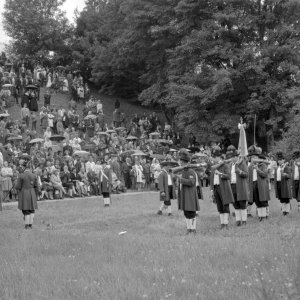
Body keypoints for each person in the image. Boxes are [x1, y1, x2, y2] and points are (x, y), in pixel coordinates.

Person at [210, 146, 234, 229]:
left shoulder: (225, 165)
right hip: (216, 187)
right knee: (219, 206)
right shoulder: (214, 166)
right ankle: (222, 224)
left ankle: (226, 223)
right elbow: (211, 178)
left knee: (225, 206)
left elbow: (228, 176)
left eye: (216, 157)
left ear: (220, 157)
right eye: (214, 157)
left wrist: (220, 174)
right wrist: (211, 189)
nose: (214, 159)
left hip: (223, 187)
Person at [176, 149, 199, 234]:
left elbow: (192, 182)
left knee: (191, 212)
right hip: (184, 194)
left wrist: (181, 179)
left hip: (190, 194)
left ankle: (193, 229)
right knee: (186, 212)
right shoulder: (183, 171)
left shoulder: (191, 171)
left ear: (184, 162)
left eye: (181, 161)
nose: (179, 162)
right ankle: (188, 229)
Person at [227, 145, 249, 226]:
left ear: (237, 157)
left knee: (242, 203)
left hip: (240, 186)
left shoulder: (242, 164)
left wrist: (239, 172)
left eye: (234, 157)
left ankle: (244, 220)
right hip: (232, 186)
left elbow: (246, 174)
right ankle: (238, 220)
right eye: (231, 157)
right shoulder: (230, 165)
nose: (232, 158)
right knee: (235, 204)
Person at [248, 145, 270, 221]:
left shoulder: (262, 165)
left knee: (262, 200)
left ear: (257, 157)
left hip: (261, 184)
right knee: (257, 201)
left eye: (254, 157)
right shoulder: (250, 166)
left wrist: (257, 169)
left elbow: (264, 175)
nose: (252, 158)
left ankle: (264, 216)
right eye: (251, 157)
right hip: (254, 184)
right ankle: (260, 216)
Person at [15, 163, 39, 229]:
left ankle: (27, 225)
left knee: (26, 210)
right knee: (32, 210)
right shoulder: (34, 175)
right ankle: (30, 225)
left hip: (24, 193)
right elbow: (37, 187)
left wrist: (16, 184)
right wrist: (35, 195)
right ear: (30, 168)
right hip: (32, 192)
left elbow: (18, 186)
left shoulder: (21, 175)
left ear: (23, 168)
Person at [274, 151, 292, 216]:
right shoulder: (277, 168)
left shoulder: (286, 167)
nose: (279, 161)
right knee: (281, 197)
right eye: (278, 160)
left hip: (284, 184)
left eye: (281, 160)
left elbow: (289, 176)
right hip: (278, 183)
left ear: (284, 160)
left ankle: (287, 211)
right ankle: (283, 211)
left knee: (286, 198)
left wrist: (285, 174)